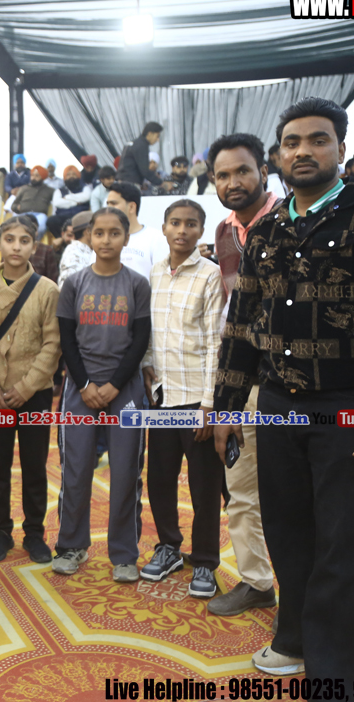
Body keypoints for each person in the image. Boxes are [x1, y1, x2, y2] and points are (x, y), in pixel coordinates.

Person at [213, 97, 354, 684]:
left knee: (347, 549)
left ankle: (339, 679)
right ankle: (296, 638)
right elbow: (241, 327)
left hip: (351, 407)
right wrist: (227, 408)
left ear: (341, 149)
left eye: (317, 140)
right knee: (290, 536)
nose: (303, 150)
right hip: (278, 408)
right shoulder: (268, 229)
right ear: (279, 155)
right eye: (292, 142)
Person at [200, 132, 280, 617]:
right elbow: (234, 315)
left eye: (242, 171)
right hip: (244, 381)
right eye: (223, 175)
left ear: (263, 172)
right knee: (242, 488)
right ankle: (257, 581)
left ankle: (308, 592)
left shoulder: (292, 221)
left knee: (296, 490)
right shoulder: (224, 234)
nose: (233, 182)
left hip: (295, 384)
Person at [52, 207, 151, 580]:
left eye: (114, 233)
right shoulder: (74, 284)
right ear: (88, 237)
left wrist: (113, 385)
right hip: (81, 389)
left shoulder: (137, 284)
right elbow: (67, 340)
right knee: (76, 470)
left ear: (126, 238)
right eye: (99, 233)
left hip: (125, 390)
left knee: (126, 472)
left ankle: (124, 555)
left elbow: (139, 341)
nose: (106, 240)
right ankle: (71, 546)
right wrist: (85, 385)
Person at [139, 199, 225, 598]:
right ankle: (169, 547)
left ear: (201, 231)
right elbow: (149, 330)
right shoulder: (154, 273)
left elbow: (214, 343)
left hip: (196, 399)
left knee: (204, 485)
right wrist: (146, 364)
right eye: (175, 223)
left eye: (191, 224)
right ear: (163, 228)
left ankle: (205, 560)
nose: (182, 230)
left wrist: (209, 403)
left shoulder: (210, 275)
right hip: (162, 397)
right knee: (160, 478)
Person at [0, 215, 61, 564]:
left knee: (34, 466)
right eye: (9, 239)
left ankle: (34, 533)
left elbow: (52, 344)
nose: (16, 247)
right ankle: (0, 532)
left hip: (34, 395)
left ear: (34, 246)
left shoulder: (47, 290)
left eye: (24, 240)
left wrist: (26, 388)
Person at [105, 182, 169, 281]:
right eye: (108, 204)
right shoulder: (103, 240)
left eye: (113, 203)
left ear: (131, 207)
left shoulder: (155, 238)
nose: (108, 209)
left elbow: (162, 278)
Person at [49, 164, 92, 238]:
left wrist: (67, 197)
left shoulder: (85, 188)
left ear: (78, 176)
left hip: (80, 214)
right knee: (51, 221)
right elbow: (57, 203)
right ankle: (62, 239)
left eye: (74, 174)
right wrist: (76, 203)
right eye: (68, 175)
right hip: (63, 216)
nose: (71, 176)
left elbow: (86, 197)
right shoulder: (59, 191)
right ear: (65, 178)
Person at [117, 122, 164, 188]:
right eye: (157, 136)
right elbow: (145, 170)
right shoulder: (142, 146)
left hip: (123, 181)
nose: (157, 140)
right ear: (150, 134)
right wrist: (160, 182)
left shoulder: (133, 143)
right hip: (130, 184)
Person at [10, 165, 55, 232]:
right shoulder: (24, 188)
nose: (33, 178)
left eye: (37, 176)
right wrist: (18, 207)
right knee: (16, 228)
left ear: (42, 177)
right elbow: (13, 206)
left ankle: (35, 239)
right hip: (23, 214)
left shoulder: (49, 190)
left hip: (40, 215)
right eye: (32, 175)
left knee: (41, 228)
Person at [58, 210, 95, 288]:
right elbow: (66, 287)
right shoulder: (73, 253)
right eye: (99, 231)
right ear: (88, 232)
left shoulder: (88, 250)